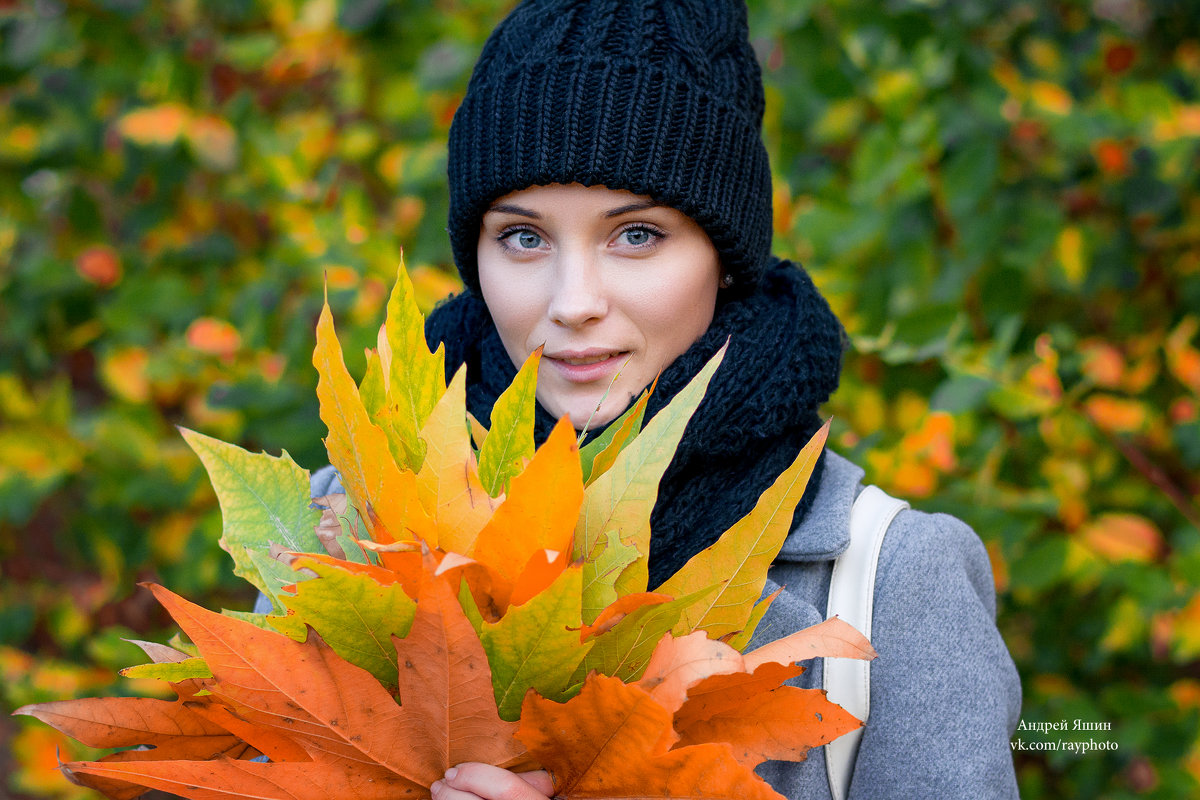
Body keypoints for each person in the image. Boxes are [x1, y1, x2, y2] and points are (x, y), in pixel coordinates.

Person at [343, 0, 1021, 797]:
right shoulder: (357, 518)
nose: (573, 301)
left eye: (636, 235)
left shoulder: (893, 582)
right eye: (524, 236)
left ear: (723, 257)